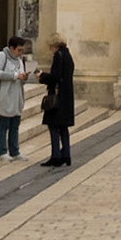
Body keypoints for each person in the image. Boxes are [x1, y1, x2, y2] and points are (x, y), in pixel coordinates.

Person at [0, 35, 32, 161]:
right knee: (4, 124)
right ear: (12, 48)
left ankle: (15, 151)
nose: (20, 53)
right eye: (18, 50)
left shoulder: (19, 59)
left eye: (22, 50)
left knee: (15, 124)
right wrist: (14, 75)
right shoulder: (2, 56)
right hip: (5, 94)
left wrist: (24, 77)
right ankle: (2, 151)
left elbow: (21, 75)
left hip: (17, 94)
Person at [39, 34, 75, 167]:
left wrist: (42, 76)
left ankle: (56, 155)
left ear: (54, 45)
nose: (50, 49)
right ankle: (66, 154)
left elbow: (56, 77)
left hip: (58, 97)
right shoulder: (67, 55)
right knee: (63, 127)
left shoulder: (58, 56)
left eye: (50, 46)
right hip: (66, 96)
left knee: (53, 125)